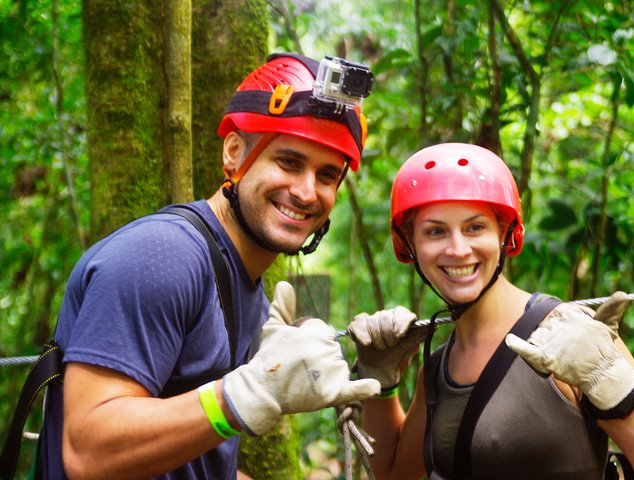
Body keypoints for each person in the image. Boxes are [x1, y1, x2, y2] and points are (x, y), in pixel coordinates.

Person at [41, 52, 380, 479]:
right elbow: (88, 452)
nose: (307, 191)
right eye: (289, 162)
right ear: (235, 153)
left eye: (327, 175)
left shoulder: (242, 281)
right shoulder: (162, 257)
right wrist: (242, 397)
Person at [347, 143, 634, 479]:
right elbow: (393, 472)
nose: (457, 249)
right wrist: (381, 383)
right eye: (435, 231)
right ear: (409, 245)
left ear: (506, 235)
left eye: (475, 227)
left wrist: (611, 388)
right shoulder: (438, 367)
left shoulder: (571, 338)